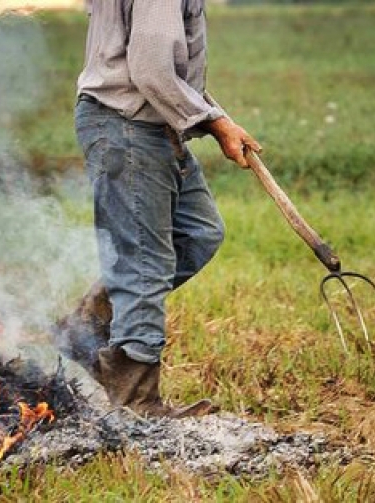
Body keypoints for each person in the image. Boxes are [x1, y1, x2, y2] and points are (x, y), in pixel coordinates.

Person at [54, 0, 261, 418]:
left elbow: (161, 62)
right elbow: (151, 69)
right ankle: (135, 401)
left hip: (153, 124)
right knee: (144, 264)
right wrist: (217, 125)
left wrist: (211, 115)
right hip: (128, 123)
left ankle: (85, 329)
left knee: (199, 232)